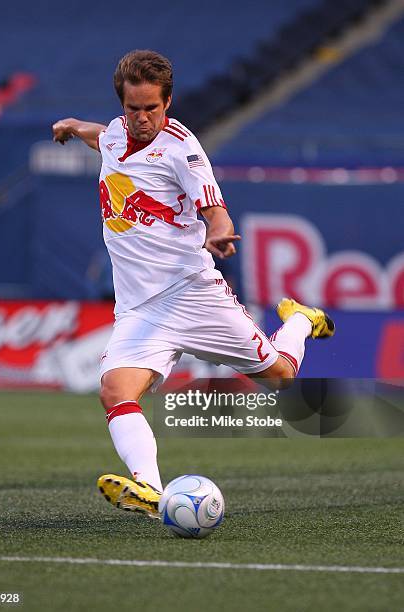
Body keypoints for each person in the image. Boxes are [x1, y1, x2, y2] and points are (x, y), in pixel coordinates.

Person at [52, 50, 335, 519]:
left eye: (152, 109)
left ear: (169, 102)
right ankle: (149, 489)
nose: (142, 119)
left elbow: (212, 202)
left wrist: (219, 228)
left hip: (192, 294)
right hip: (140, 309)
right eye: (133, 108)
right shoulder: (118, 131)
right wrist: (73, 126)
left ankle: (301, 322)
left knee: (281, 376)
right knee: (114, 390)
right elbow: (104, 138)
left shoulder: (183, 149)